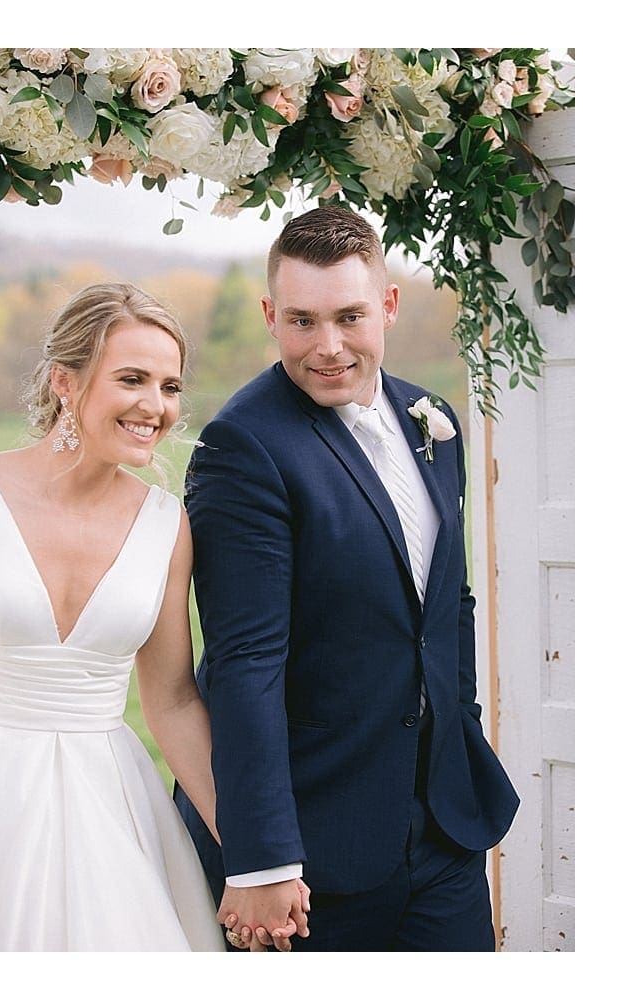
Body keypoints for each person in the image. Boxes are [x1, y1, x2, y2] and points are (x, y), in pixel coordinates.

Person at [176, 204, 520, 951]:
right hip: (311, 848)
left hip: (442, 827)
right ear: (270, 315)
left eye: (349, 317)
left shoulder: (434, 420)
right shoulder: (243, 447)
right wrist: (262, 854)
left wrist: (457, 732)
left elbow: (446, 603)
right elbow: (245, 663)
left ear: (389, 306)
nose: (327, 347)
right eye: (301, 321)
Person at [0, 282, 256, 951]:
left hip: (110, 801)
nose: (155, 406)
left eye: (170, 386)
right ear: (64, 382)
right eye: (133, 379)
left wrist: (248, 852)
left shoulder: (167, 524)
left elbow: (175, 702)